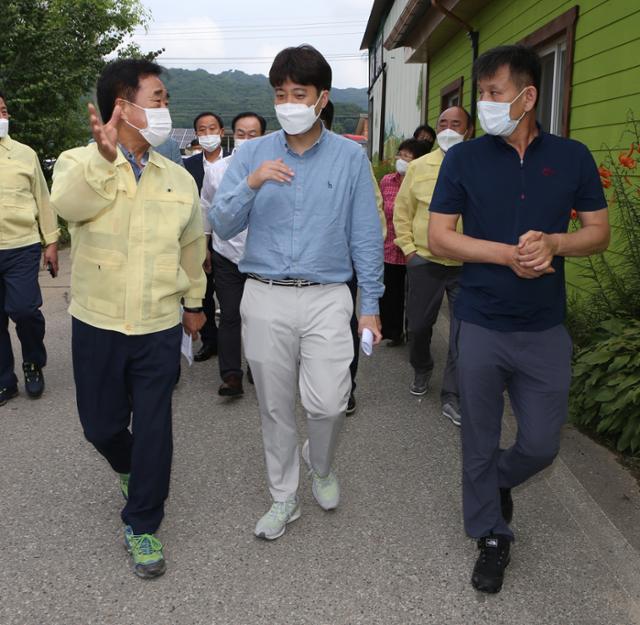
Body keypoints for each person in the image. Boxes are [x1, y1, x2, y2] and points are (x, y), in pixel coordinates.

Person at [428, 45, 609, 594]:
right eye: (480, 93)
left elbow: (597, 233)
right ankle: (491, 534)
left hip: (544, 326)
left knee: (541, 443)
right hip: (480, 320)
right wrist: (507, 253)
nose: (484, 103)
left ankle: (497, 483)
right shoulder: (464, 159)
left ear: (528, 97)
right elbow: (440, 235)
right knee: (478, 439)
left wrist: (556, 241)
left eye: (494, 93)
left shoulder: (572, 157)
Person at [211, 45, 383, 540]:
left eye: (299, 93)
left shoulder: (350, 158)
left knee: (330, 403)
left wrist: (369, 306)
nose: (288, 102)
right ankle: (284, 497)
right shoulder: (252, 153)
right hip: (263, 293)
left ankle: (321, 463)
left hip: (328, 294)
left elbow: (366, 236)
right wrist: (252, 182)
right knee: (274, 406)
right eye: (280, 93)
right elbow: (221, 223)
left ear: (321, 98)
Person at [51, 59, 206, 579]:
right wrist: (103, 158)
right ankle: (128, 467)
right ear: (123, 106)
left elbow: (192, 245)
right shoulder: (77, 162)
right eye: (157, 99)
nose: (166, 109)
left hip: (159, 322)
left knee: (156, 424)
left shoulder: (177, 178)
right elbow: (67, 207)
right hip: (97, 320)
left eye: (165, 100)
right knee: (100, 426)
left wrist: (194, 304)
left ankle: (142, 523)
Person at [394, 106, 473, 427]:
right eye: (443, 123)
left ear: (468, 130)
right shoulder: (419, 167)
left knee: (463, 333)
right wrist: (410, 251)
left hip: (467, 264)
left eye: (457, 124)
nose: (449, 128)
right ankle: (422, 366)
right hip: (424, 260)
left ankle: (452, 395)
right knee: (419, 326)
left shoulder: (479, 165)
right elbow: (402, 211)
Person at [319, 99, 385, 415]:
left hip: (342, 265)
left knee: (344, 326)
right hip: (298, 270)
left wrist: (366, 257)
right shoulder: (283, 159)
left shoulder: (352, 160)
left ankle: (346, 387)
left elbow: (372, 214)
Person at [200, 111, 267, 397]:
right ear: (232, 135)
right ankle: (231, 375)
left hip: (263, 257)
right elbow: (206, 208)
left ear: (264, 136)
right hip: (226, 254)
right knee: (229, 315)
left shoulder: (275, 170)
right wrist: (204, 244)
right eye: (241, 134)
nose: (246, 139)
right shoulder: (217, 170)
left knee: (260, 317)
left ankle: (258, 366)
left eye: (253, 135)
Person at [0, 91, 59, 405]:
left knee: (24, 310)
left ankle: (33, 361)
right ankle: (4, 379)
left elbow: (43, 199)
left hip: (21, 246)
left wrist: (51, 240)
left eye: (4, 110)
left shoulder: (25, 154)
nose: (2, 117)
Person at [378, 138, 430, 346]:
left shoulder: (422, 182)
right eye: (401, 154)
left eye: (408, 156)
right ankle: (393, 332)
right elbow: (379, 211)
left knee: (416, 296)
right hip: (390, 247)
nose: (402, 159)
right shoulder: (386, 182)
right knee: (391, 294)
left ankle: (414, 332)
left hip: (415, 249)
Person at [185, 111, 225, 363]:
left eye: (212, 128)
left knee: (236, 297)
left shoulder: (235, 161)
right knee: (204, 292)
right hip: (200, 239)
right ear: (197, 135)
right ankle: (211, 341)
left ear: (222, 131)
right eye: (202, 129)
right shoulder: (187, 166)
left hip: (232, 242)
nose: (208, 134)